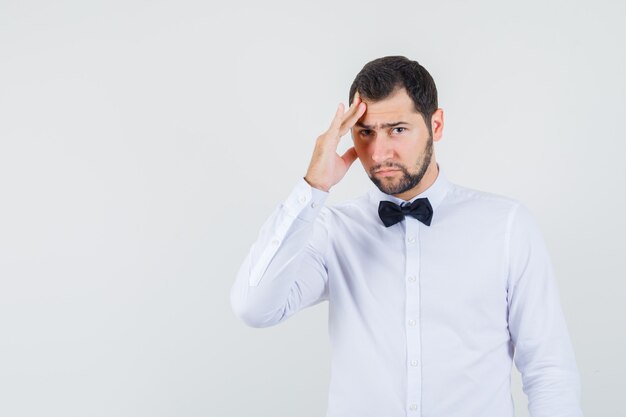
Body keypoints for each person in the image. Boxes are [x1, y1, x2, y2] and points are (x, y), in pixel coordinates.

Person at [230, 56, 583, 417]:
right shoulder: (333, 230)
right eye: (365, 132)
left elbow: (549, 371)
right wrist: (313, 187)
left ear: (437, 124)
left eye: (398, 129)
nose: (380, 152)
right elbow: (255, 308)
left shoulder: (507, 226)